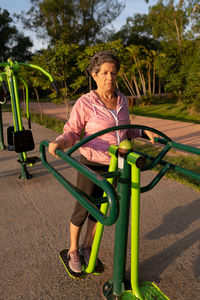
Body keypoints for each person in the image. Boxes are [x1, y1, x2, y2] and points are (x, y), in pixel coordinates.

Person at [48, 50, 157, 274]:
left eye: (113, 73)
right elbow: (72, 131)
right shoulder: (86, 103)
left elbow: (126, 129)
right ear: (94, 75)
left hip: (116, 166)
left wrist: (144, 132)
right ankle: (73, 251)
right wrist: (59, 142)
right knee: (83, 209)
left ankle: (88, 247)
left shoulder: (122, 100)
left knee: (102, 210)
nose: (110, 78)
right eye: (105, 73)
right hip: (91, 164)